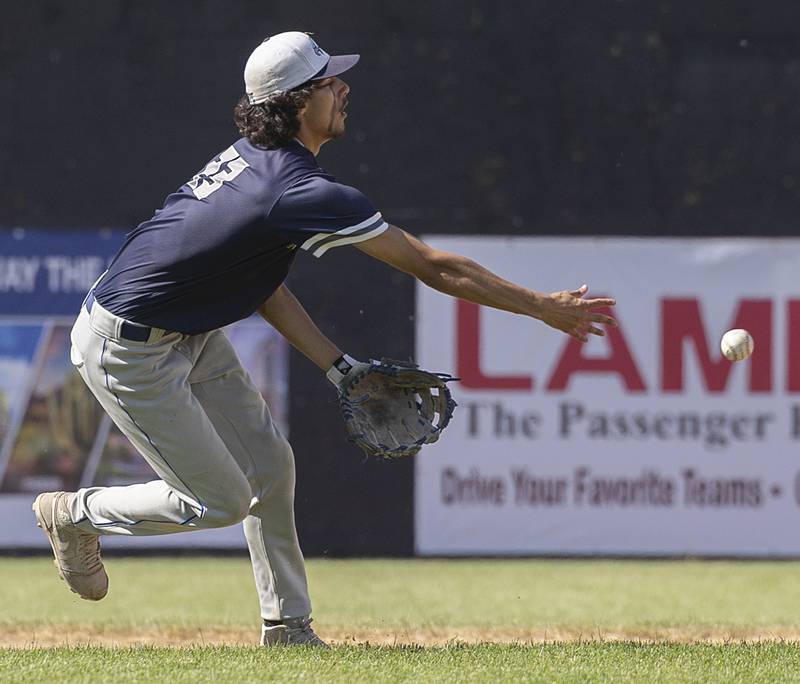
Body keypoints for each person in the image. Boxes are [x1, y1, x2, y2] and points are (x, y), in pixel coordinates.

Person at [33, 32, 616, 647]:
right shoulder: (295, 191)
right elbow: (430, 264)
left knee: (271, 467)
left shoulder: (265, 173)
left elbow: (260, 286)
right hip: (128, 347)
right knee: (221, 500)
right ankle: (74, 515)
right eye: (328, 82)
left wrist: (340, 369)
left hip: (186, 330)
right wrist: (540, 307)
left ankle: (286, 627)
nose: (344, 88)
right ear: (293, 103)